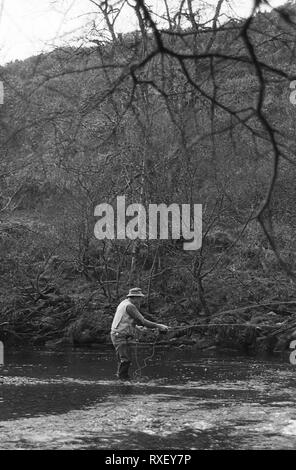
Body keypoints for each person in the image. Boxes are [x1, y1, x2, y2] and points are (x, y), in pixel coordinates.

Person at [110, 287, 169, 381]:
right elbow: (143, 321)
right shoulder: (130, 306)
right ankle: (123, 380)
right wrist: (159, 326)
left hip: (117, 334)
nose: (140, 300)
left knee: (123, 359)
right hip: (120, 336)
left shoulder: (123, 303)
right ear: (134, 297)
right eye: (139, 297)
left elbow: (123, 320)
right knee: (125, 360)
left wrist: (137, 327)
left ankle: (121, 379)